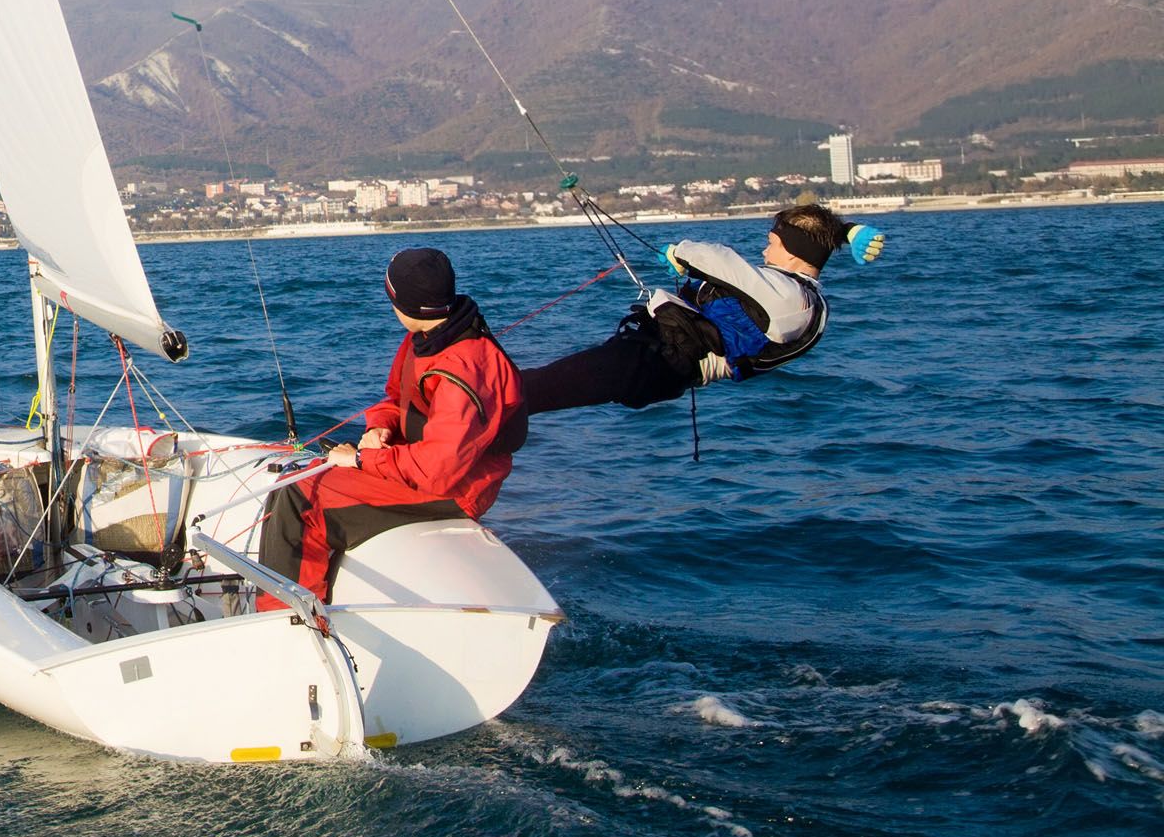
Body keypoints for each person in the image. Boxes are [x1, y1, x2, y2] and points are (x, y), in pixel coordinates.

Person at [256, 248, 525, 612]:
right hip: (416, 467)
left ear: (405, 304)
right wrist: (379, 428)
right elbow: (395, 398)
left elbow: (439, 469)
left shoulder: (462, 367)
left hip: (455, 489)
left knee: (300, 500)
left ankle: (286, 620)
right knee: (291, 482)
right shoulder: (431, 336)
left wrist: (365, 459)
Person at [522, 200, 885, 415]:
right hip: (655, 362)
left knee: (526, 390)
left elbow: (718, 259)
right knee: (531, 389)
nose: (764, 251)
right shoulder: (801, 299)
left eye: (771, 243)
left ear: (793, 251)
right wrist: (844, 229)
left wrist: (679, 253)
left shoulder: (791, 301)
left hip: (655, 362)